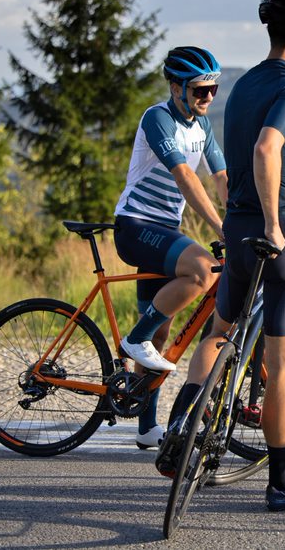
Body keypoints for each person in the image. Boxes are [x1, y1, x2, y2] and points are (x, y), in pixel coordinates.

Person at [161, 0, 285, 511]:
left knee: (221, 329)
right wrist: (275, 224)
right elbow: (266, 147)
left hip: (235, 228)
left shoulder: (242, 85)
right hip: (281, 223)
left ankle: (180, 425)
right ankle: (282, 481)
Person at [113, 46, 228, 449]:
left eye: (213, 89)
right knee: (202, 271)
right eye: (200, 91)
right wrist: (220, 226)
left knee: (161, 332)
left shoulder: (202, 126)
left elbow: (221, 177)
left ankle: (146, 427)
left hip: (164, 230)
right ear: (176, 87)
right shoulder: (158, 118)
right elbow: (184, 176)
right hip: (136, 227)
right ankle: (132, 340)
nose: (208, 97)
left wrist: (248, 217)